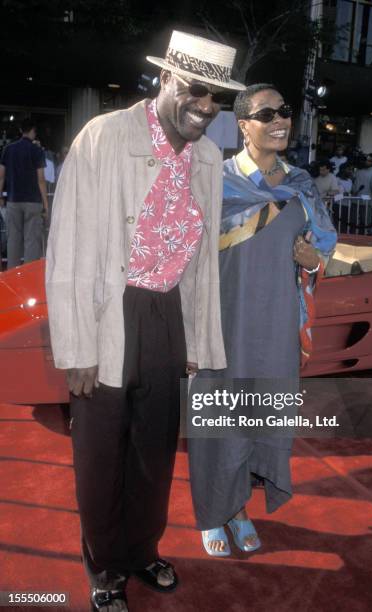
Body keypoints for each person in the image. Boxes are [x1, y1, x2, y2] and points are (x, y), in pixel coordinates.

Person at [46, 30, 245, 611]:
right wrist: (77, 347)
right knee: (102, 452)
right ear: (165, 79)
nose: (206, 108)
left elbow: (203, 258)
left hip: (167, 314)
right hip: (109, 310)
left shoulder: (207, 157)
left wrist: (196, 338)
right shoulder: (103, 137)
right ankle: (105, 564)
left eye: (217, 99)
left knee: (154, 450)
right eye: (196, 91)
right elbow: (68, 247)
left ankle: (141, 549)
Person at [188, 84, 337, 556]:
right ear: (243, 124)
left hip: (275, 328)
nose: (280, 120)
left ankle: (240, 508)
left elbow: (325, 246)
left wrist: (313, 259)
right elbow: (185, 257)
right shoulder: (214, 180)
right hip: (222, 324)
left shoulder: (302, 184)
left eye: (285, 111)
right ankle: (213, 511)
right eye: (266, 113)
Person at [0, 119, 48, 268]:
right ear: (33, 130)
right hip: (33, 202)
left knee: (13, 240)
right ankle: (28, 278)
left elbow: (1, 176)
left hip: (13, 201)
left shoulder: (8, 149)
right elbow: (41, 179)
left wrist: (0, 196)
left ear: (21, 130)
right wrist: (46, 204)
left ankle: (12, 277)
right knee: (31, 242)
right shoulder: (37, 151)